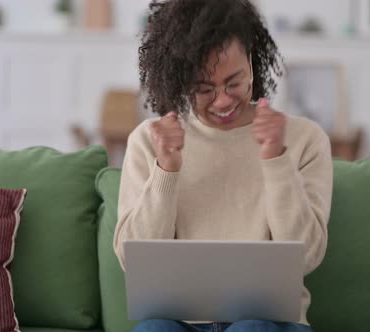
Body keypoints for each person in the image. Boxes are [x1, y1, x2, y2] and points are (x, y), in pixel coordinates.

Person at [113, 0, 333, 331]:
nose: (223, 100)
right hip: (178, 320)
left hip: (268, 322)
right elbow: (133, 260)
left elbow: (307, 256)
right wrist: (166, 169)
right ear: (180, 81)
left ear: (253, 64)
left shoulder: (304, 139)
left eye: (235, 82)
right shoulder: (150, 141)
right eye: (204, 89)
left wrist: (276, 160)